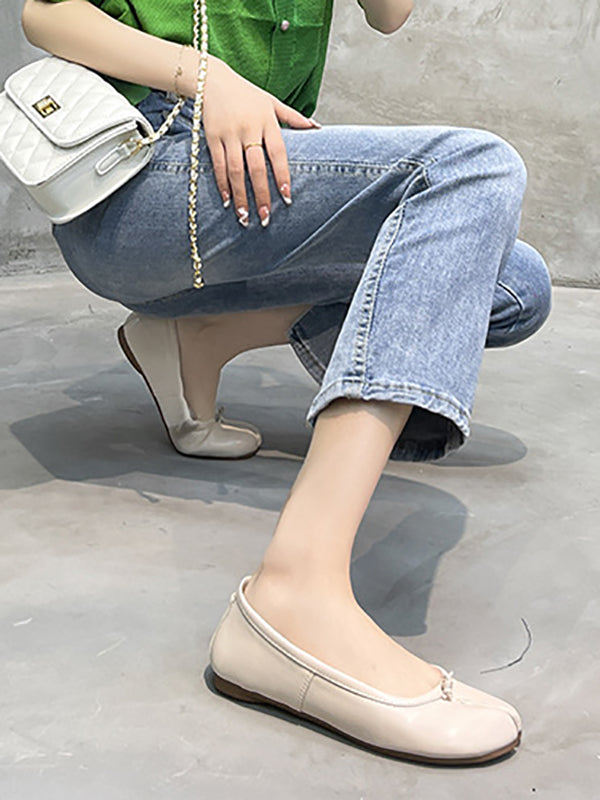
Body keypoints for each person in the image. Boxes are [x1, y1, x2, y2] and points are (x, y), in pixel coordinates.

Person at [21, 0, 552, 764]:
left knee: (515, 286)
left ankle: (199, 336)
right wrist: (208, 76)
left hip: (256, 169)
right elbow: (47, 15)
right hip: (140, 166)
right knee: (470, 169)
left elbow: (391, 15)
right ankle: (296, 589)